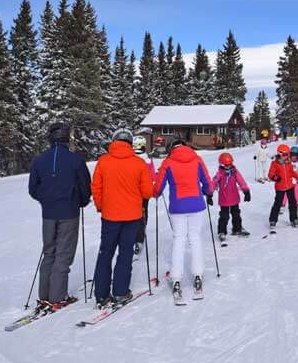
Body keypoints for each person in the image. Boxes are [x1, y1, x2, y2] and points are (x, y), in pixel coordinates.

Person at [28, 122, 92, 309]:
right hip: (68, 213)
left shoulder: (39, 160)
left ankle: (45, 295)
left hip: (48, 214)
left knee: (49, 253)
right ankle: (57, 298)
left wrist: (46, 200)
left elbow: (33, 189)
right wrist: (80, 201)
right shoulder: (76, 160)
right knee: (63, 255)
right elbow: (85, 187)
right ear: (66, 138)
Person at [92, 129, 154, 307]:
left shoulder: (103, 162)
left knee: (105, 253)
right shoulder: (139, 163)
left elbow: (96, 187)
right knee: (125, 253)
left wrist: (101, 206)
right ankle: (120, 292)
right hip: (132, 216)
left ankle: (101, 295)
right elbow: (147, 192)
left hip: (109, 216)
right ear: (130, 144)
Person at [155, 138, 213, 303]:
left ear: (171, 148)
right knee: (194, 238)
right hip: (196, 205)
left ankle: (177, 279)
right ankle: (198, 276)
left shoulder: (168, 162)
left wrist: (155, 193)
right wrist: (207, 191)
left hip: (178, 207)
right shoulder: (197, 159)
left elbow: (158, 188)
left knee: (179, 239)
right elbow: (208, 184)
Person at [211, 152, 251, 242]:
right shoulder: (219, 174)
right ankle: (222, 231)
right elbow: (213, 183)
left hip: (234, 198)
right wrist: (210, 193)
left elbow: (241, 181)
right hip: (224, 199)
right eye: (226, 165)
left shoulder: (235, 172)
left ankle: (237, 229)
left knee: (236, 214)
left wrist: (246, 191)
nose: (228, 167)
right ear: (221, 164)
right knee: (224, 216)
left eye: (230, 165)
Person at [269, 144, 298, 228]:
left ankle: (294, 219)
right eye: (284, 155)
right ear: (279, 154)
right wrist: (276, 178)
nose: (286, 157)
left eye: (287, 155)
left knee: (293, 203)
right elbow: (270, 174)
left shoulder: (289, 163)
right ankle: (273, 220)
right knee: (278, 203)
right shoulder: (274, 163)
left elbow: (292, 172)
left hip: (290, 186)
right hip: (280, 187)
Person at [282, 146, 298, 213]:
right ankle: (282, 205)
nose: (293, 157)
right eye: (292, 155)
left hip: (296, 180)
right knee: (285, 192)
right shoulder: (287, 161)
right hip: (287, 179)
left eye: (295, 155)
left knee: (296, 192)